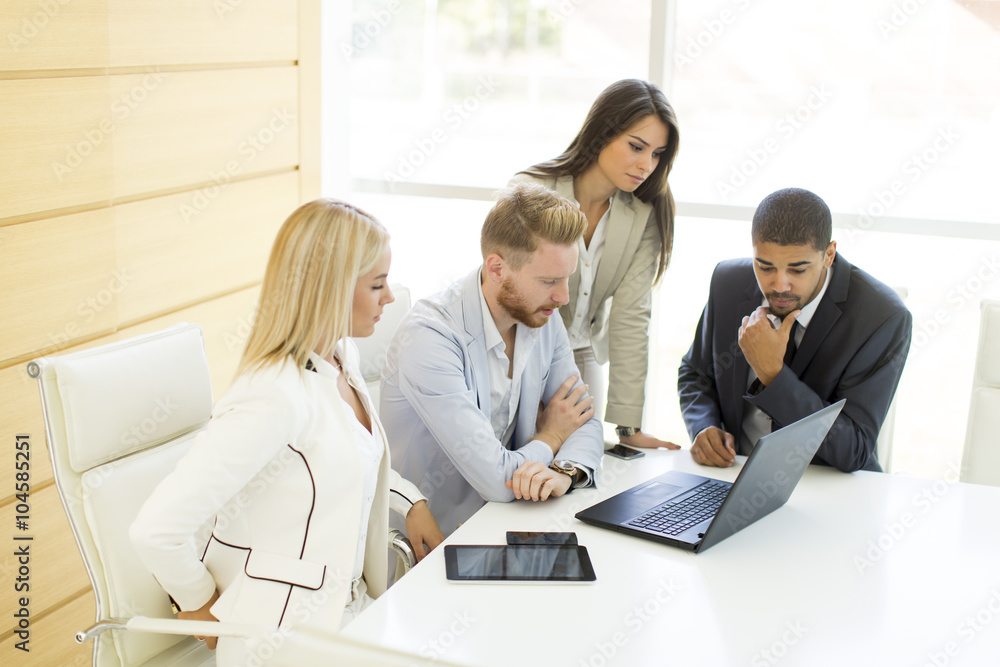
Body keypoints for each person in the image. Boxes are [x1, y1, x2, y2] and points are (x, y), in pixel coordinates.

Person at [130, 199, 444, 663]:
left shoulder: (340, 358)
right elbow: (155, 529)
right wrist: (197, 604)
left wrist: (408, 500)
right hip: (284, 638)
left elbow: (345, 456)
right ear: (331, 288)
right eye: (377, 284)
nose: (390, 297)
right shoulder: (271, 396)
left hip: (350, 611)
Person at [379, 182, 604, 536]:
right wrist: (551, 437)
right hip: (435, 544)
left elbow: (584, 420)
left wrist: (565, 472)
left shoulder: (541, 314)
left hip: (512, 525)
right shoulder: (429, 337)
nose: (563, 296)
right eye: (549, 281)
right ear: (497, 268)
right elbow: (497, 480)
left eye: (567, 279)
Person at [677, 187, 912, 472]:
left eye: (798, 270)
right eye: (765, 266)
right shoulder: (727, 282)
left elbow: (854, 449)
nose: (779, 285)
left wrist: (773, 375)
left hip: (828, 490)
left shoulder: (882, 318)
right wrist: (704, 426)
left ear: (829, 254)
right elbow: (695, 374)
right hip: (733, 476)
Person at [511, 78, 681, 450]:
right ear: (602, 133)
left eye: (657, 154)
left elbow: (631, 317)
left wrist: (627, 427)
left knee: (582, 469)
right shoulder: (530, 191)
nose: (646, 165)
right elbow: (504, 295)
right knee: (523, 469)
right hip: (521, 354)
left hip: (584, 357)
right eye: (636, 147)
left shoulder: (643, 216)